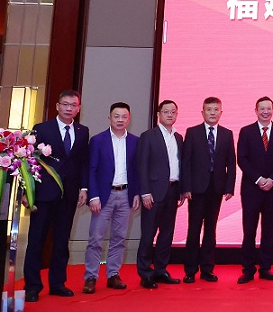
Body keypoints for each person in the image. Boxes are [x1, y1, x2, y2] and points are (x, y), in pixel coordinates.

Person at [23, 89, 90, 302]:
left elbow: (83, 163)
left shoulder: (82, 131)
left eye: (73, 105)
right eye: (65, 104)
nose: (69, 108)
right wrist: (26, 192)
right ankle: (32, 286)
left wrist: (83, 188)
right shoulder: (42, 129)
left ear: (79, 108)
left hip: (68, 194)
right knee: (37, 240)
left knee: (61, 240)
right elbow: (29, 161)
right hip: (44, 193)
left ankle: (58, 283)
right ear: (57, 106)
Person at [82, 102, 140, 294]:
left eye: (124, 116)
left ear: (129, 119)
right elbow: (91, 169)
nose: (120, 120)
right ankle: (91, 276)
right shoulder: (98, 140)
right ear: (109, 118)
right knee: (96, 239)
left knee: (119, 238)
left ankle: (113, 274)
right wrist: (93, 196)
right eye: (116, 116)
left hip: (125, 195)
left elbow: (136, 171)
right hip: (103, 196)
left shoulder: (135, 141)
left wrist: (136, 193)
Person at [181, 96, 236, 283]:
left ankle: (207, 269)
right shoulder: (192, 132)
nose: (212, 113)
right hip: (196, 189)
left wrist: (229, 187)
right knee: (194, 229)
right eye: (209, 110)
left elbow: (231, 162)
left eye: (216, 110)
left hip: (217, 188)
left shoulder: (227, 134)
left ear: (221, 112)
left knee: (211, 229)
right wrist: (186, 187)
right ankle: (190, 270)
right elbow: (186, 162)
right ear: (202, 112)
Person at [237, 96, 273, 283]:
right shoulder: (246, 131)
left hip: (272, 189)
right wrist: (258, 179)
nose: (265, 112)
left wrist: (272, 180)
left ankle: (265, 268)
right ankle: (248, 269)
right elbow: (242, 159)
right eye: (262, 108)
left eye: (268, 108)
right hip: (251, 189)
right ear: (256, 110)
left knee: (269, 229)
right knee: (249, 230)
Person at [137, 99, 184, 289]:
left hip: (173, 191)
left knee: (167, 234)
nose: (170, 115)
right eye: (166, 111)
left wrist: (181, 189)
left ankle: (161, 270)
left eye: (173, 112)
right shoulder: (148, 136)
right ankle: (145, 273)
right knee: (148, 234)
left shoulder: (179, 137)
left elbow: (180, 165)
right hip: (153, 193)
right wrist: (145, 191)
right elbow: (142, 165)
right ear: (158, 114)